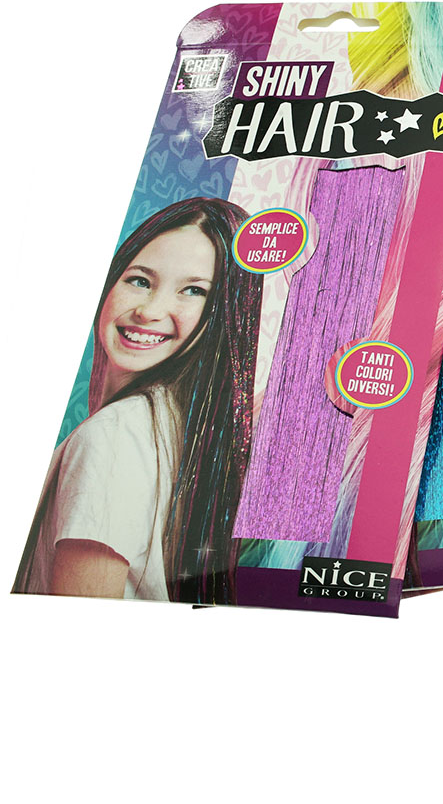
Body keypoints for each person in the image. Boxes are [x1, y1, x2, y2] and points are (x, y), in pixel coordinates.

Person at [14, 198, 262, 604]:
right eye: (140, 281)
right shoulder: (173, 425)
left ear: (223, 314)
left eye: (194, 290)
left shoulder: (115, 435)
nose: (149, 311)